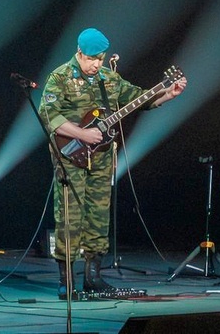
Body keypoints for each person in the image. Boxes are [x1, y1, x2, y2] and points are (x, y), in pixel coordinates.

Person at [36, 27, 187, 294]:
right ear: (80, 53)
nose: (96, 64)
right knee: (69, 216)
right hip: (70, 154)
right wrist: (82, 133)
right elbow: (49, 115)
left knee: (98, 216)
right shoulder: (60, 77)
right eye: (92, 58)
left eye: (100, 59)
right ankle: (66, 281)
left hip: (103, 156)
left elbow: (140, 99)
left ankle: (93, 277)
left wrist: (168, 94)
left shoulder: (109, 78)